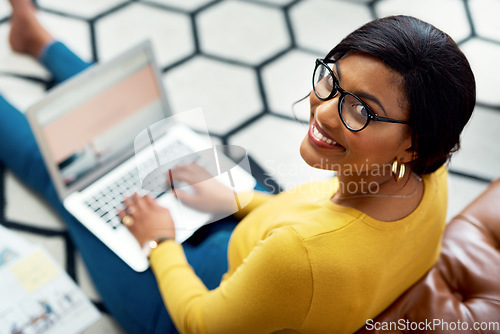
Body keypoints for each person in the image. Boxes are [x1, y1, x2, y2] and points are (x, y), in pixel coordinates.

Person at [1, 1, 475, 333]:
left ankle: (39, 44)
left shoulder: (299, 255)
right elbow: (315, 212)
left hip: (184, 303)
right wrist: (239, 200)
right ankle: (40, 40)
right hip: (261, 241)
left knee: (67, 178)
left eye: (362, 110)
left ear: (413, 144)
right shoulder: (425, 171)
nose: (324, 112)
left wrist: (159, 240)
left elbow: (201, 322)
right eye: (332, 79)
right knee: (151, 139)